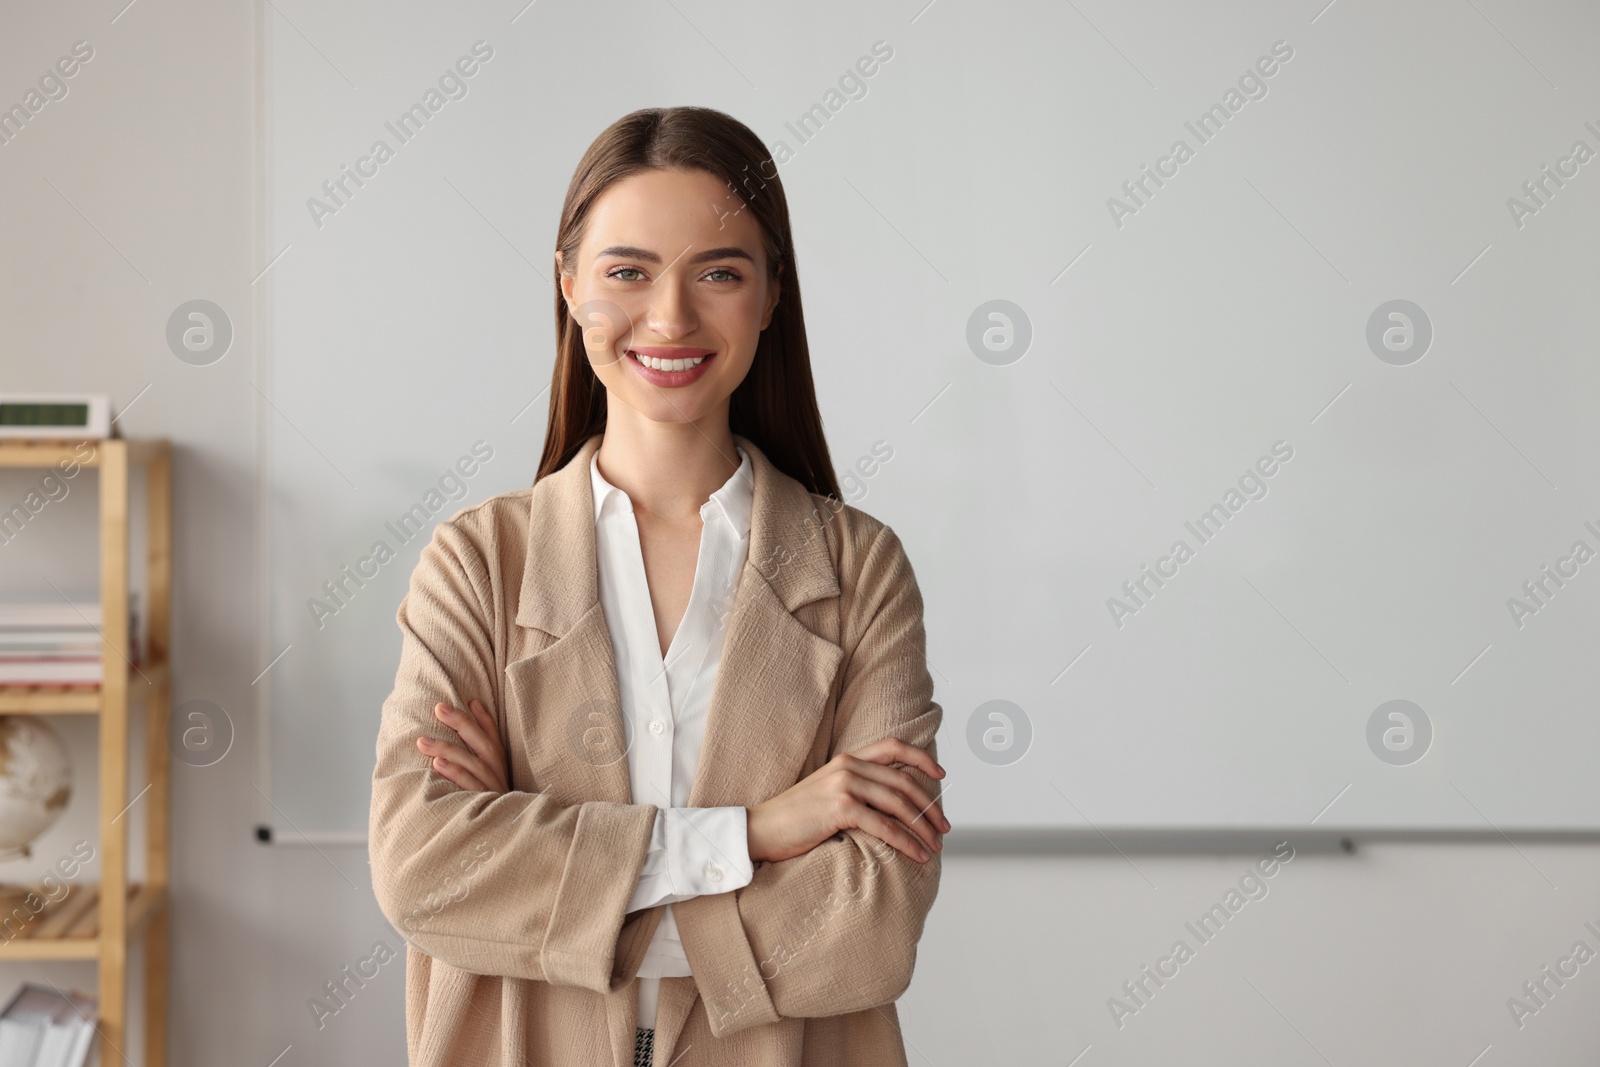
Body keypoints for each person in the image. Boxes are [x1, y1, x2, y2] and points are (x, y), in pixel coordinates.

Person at [369, 105, 948, 1067]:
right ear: (568, 288)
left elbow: (873, 926)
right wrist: (759, 834)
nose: (671, 317)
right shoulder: (477, 561)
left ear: (770, 296)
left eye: (718, 272)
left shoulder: (859, 569)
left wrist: (544, 878)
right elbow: (424, 870)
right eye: (627, 272)